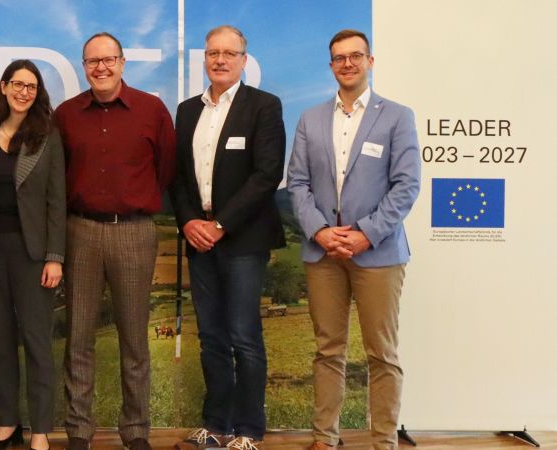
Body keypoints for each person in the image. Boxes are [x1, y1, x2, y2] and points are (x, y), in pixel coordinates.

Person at [286, 29, 420, 450]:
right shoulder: (310, 118)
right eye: (339, 58)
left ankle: (383, 441)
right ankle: (325, 438)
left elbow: (407, 185)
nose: (347, 63)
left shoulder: (397, 116)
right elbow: (298, 184)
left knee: (382, 354)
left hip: (378, 252)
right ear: (330, 66)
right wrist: (322, 232)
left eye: (355, 56)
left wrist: (365, 233)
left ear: (370, 61)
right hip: (322, 253)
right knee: (328, 352)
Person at [54, 31, 176, 450]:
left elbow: (165, 170)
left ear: (123, 63)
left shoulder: (152, 110)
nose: (101, 68)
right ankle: (79, 432)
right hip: (81, 231)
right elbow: (57, 177)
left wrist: (133, 203)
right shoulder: (66, 114)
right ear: (84, 67)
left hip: (134, 232)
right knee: (79, 336)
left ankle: (137, 432)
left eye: (108, 60)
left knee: (134, 338)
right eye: (92, 62)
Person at [169, 25, 286, 450]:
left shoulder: (263, 107)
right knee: (211, 336)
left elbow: (266, 174)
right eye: (212, 52)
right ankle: (216, 424)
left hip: (242, 239)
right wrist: (188, 223)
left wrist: (221, 225)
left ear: (243, 59)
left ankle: (249, 429)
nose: (219, 60)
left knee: (243, 335)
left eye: (228, 53)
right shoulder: (186, 111)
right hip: (198, 238)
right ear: (204, 58)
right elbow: (177, 177)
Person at [0, 60, 65, 450]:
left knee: (37, 341)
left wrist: (55, 256)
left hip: (33, 254)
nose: (24, 92)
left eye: (32, 86)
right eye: (17, 84)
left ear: (38, 93)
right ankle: (8, 423)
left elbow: (57, 200)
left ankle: (39, 429)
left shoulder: (48, 136)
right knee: (1, 342)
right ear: (4, 87)